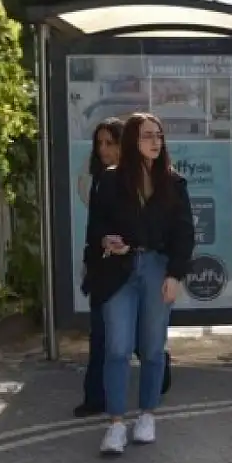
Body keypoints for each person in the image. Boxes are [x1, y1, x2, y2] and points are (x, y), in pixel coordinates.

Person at [86, 113, 194, 455]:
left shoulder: (173, 183)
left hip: (157, 269)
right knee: (117, 348)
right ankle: (116, 424)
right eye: (148, 135)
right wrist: (107, 239)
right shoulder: (110, 180)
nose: (155, 141)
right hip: (119, 270)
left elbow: (184, 234)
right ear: (134, 140)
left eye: (159, 136)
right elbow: (96, 227)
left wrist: (175, 275)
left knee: (151, 347)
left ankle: (147, 415)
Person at [73, 119, 173, 418]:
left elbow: (173, 231)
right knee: (108, 341)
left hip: (146, 267)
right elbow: (96, 228)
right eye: (99, 143)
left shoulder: (161, 181)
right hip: (110, 271)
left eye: (110, 142)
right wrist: (100, 252)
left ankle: (154, 388)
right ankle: (99, 401)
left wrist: (172, 271)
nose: (104, 149)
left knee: (147, 342)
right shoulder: (103, 180)